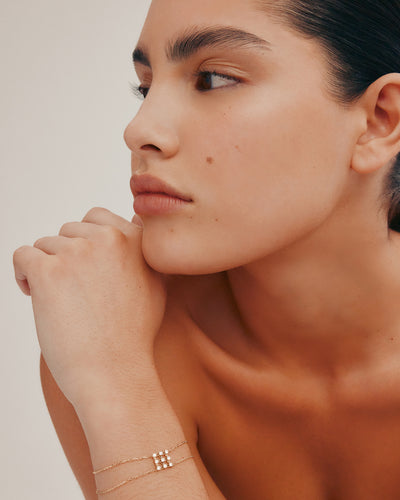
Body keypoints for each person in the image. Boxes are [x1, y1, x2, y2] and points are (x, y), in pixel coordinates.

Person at [13, 0, 400, 498]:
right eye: (145, 87)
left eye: (213, 79)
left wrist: (115, 384)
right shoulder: (112, 340)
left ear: (380, 120)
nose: (138, 130)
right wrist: (113, 381)